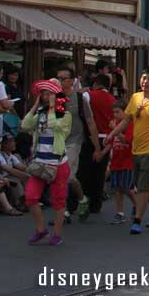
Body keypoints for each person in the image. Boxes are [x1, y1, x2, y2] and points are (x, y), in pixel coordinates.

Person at [105, 66, 149, 234]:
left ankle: (137, 220)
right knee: (141, 184)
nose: (145, 82)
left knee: (142, 187)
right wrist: (112, 134)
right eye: (143, 78)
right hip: (136, 149)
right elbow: (126, 120)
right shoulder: (135, 98)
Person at [21, 80, 72, 245]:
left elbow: (55, 125)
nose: (45, 96)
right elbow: (25, 125)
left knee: (58, 201)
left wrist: (53, 107)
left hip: (58, 164)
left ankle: (56, 234)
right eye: (43, 93)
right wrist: (35, 106)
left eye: (49, 93)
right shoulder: (41, 113)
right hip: (40, 163)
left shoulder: (65, 114)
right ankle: (41, 229)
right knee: (30, 197)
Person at [56, 66, 101, 223]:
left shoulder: (79, 99)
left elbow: (90, 122)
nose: (60, 81)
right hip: (58, 141)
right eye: (58, 78)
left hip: (74, 141)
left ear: (71, 81)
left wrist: (97, 147)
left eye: (63, 78)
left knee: (67, 176)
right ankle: (77, 202)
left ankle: (69, 207)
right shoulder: (56, 98)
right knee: (59, 176)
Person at [82, 73, 115, 214]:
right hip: (107, 137)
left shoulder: (88, 96)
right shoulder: (113, 100)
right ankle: (96, 204)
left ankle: (85, 199)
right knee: (100, 172)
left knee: (86, 170)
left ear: (95, 84)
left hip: (91, 136)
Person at [98, 104, 134, 224]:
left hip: (127, 161)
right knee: (117, 188)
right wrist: (103, 152)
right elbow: (110, 142)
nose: (115, 115)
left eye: (118, 112)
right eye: (113, 112)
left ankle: (137, 204)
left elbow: (126, 140)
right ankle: (120, 212)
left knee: (126, 188)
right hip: (116, 161)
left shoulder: (129, 125)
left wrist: (115, 130)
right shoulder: (114, 125)